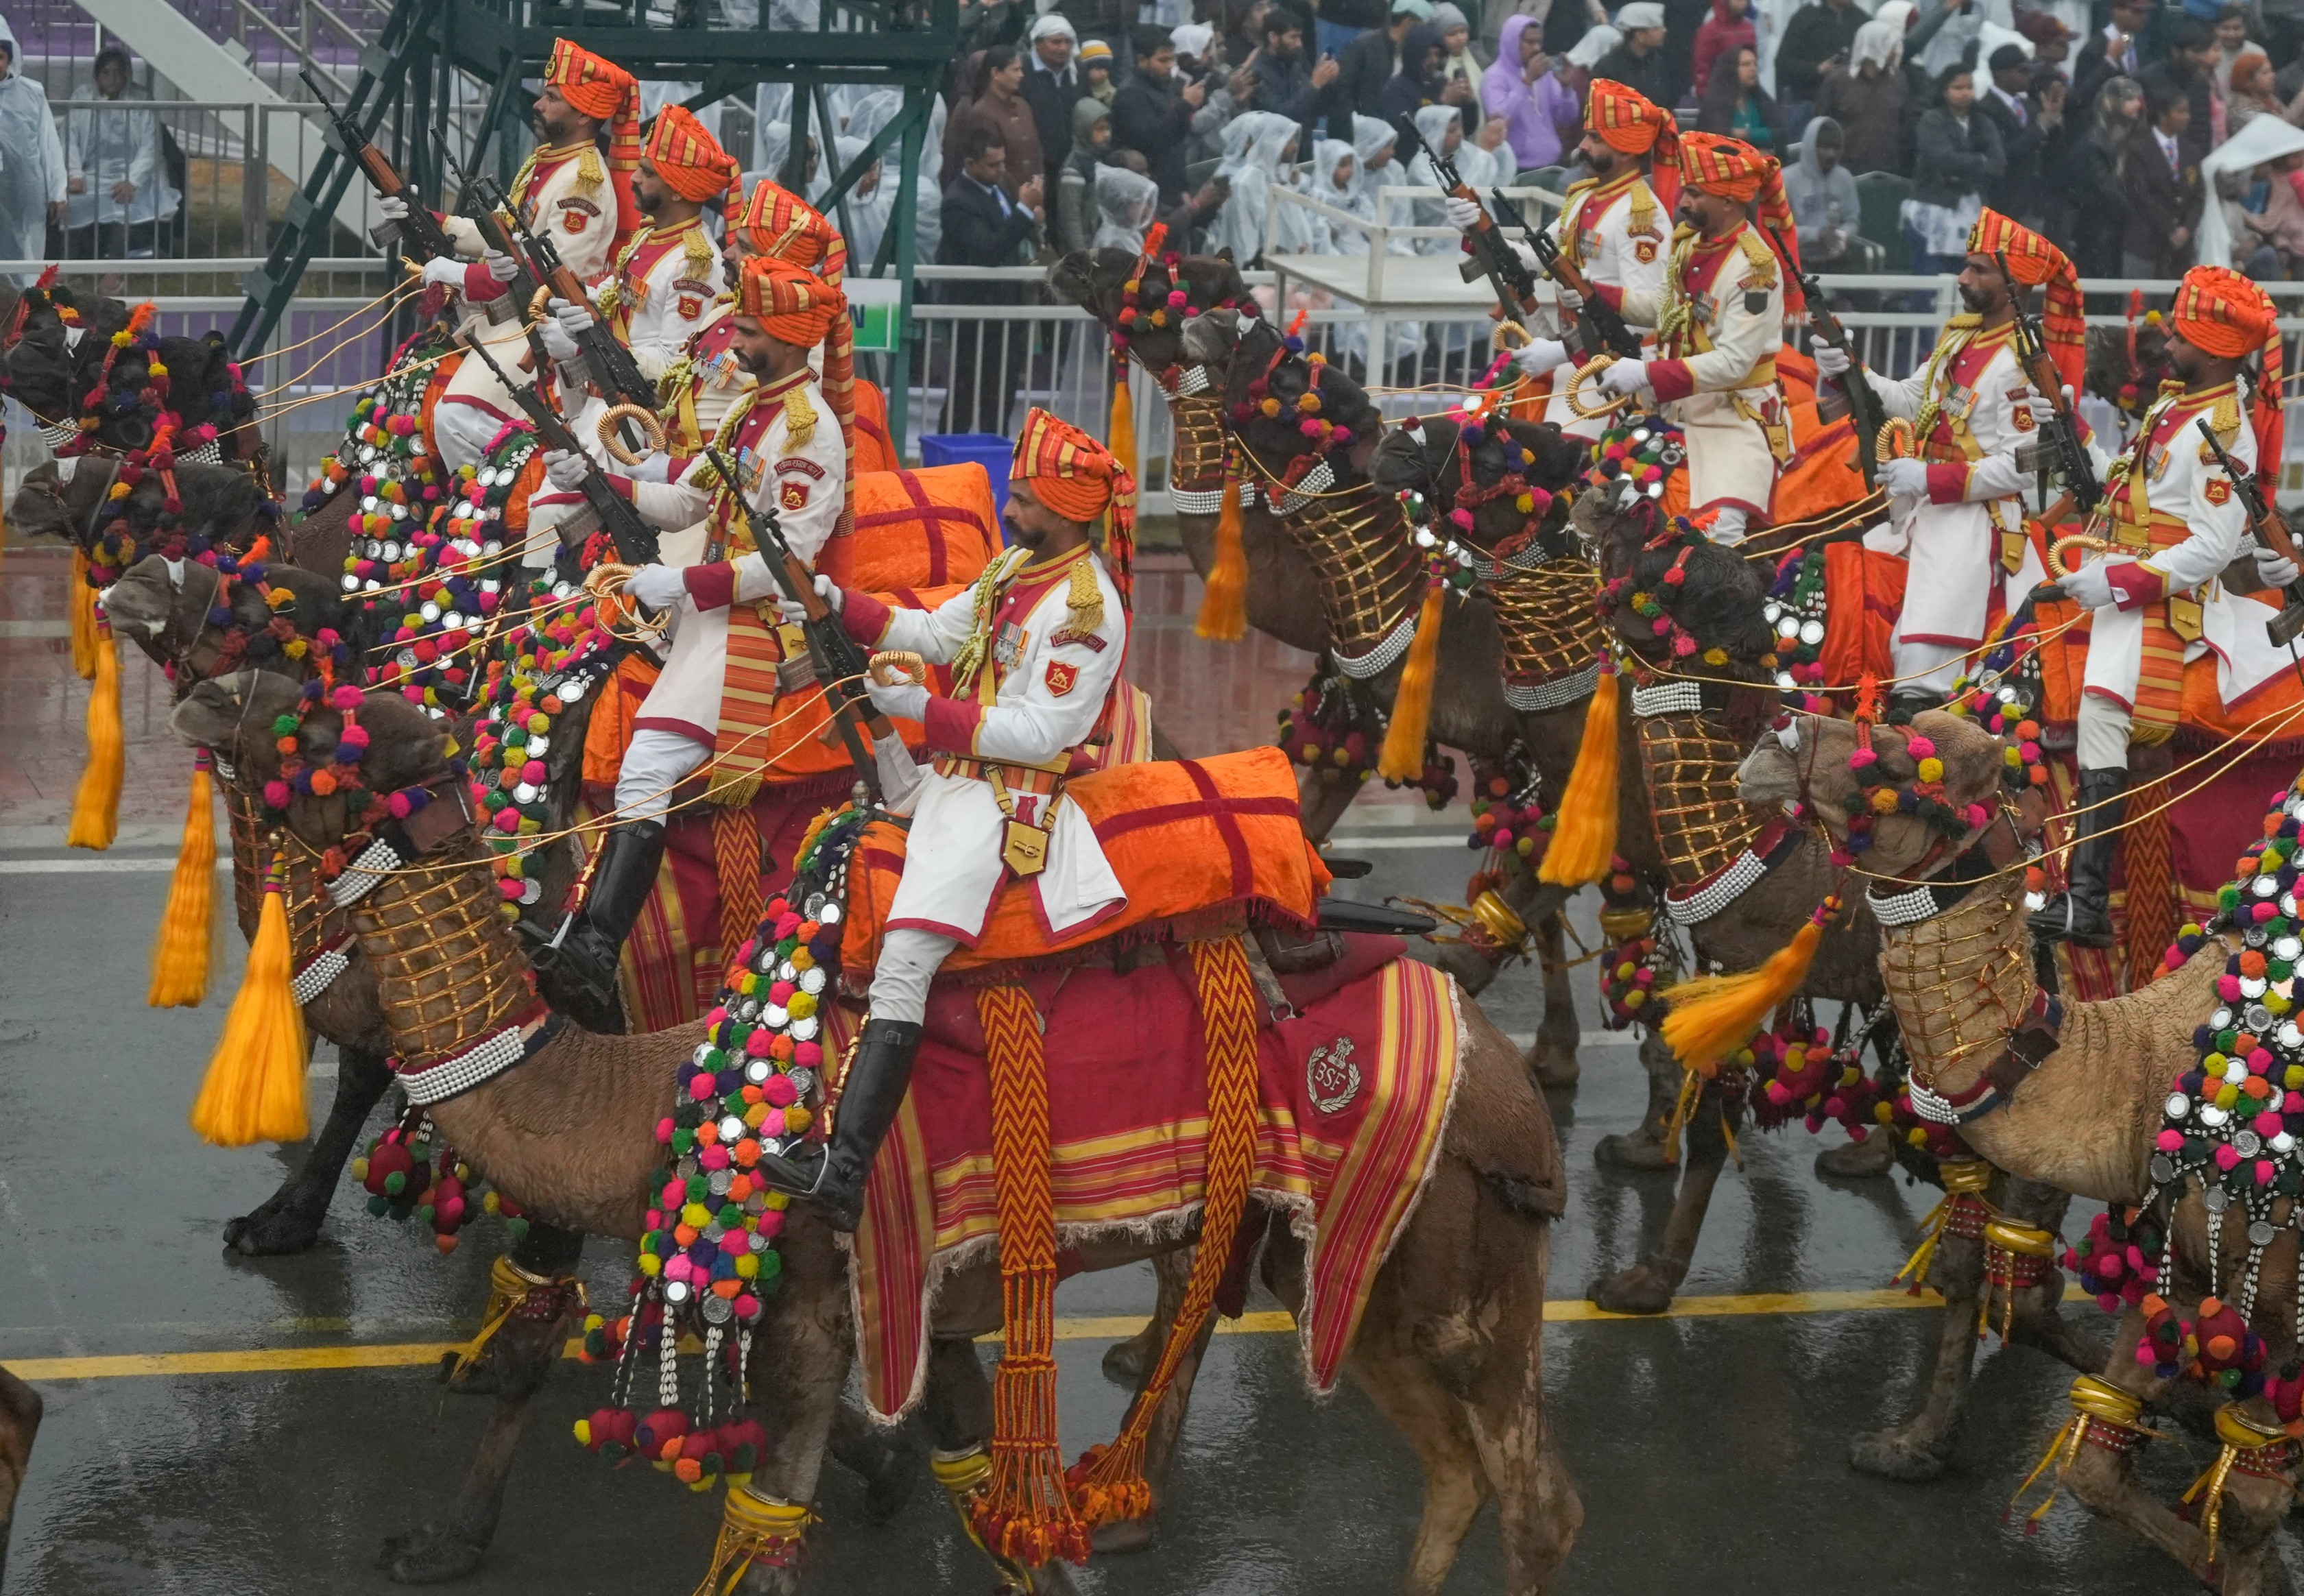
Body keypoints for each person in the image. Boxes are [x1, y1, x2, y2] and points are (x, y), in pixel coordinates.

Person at [752, 408, 1136, 1226]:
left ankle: (843, 1172)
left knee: (904, 957)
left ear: (1066, 512)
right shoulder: (1012, 569)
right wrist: (833, 601)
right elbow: (926, 629)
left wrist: (923, 709)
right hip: (953, 779)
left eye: (1025, 499)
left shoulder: (1083, 609)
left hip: (1004, 799)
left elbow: (1043, 732)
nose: (1011, 506)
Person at [536, 255, 852, 1002]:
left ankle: (601, 951)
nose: (732, 338)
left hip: (757, 626)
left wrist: (675, 582)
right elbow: (689, 501)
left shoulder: (808, 434)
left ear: (785, 338)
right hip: (707, 609)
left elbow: (786, 566)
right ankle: (586, 931)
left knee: (646, 766)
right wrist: (595, 479)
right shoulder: (753, 409)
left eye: (746, 328)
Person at [2032, 267, 2287, 947]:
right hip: (2123, 573)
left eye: (2182, 332)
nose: (2167, 339)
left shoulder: (2225, 429)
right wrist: (2075, 437)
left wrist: (2121, 583)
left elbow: (2210, 547)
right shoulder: (2174, 406)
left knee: (2103, 712)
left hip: (2172, 601)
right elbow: (2126, 491)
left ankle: (2085, 900)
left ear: (2217, 348)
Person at [1812, 210, 2078, 710]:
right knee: (1847, 578)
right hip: (1921, 510)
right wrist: (1851, 367)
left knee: (1923, 662)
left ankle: (1922, 712)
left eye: (1979, 269)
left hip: (1974, 522)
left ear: (2014, 283)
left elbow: (2020, 468)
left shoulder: (2023, 362)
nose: (1963, 278)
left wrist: (1930, 478)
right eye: (1966, 266)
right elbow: (1911, 400)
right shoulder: (1961, 335)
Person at [391, 37, 635, 481]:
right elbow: (498, 237)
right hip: (512, 316)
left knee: (457, 418)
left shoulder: (583, 182)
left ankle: (504, 513)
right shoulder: (547, 163)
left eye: (552, 99)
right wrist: (427, 219)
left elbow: (542, 273)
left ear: (583, 115)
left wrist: (460, 276)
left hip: (544, 324)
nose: (539, 104)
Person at [1588, 132, 1793, 547]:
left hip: (1733, 419)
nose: (1682, 202)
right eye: (1686, 189)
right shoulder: (1689, 245)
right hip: (1677, 412)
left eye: (1696, 194)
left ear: (1730, 202)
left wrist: (1646, 372)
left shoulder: (1756, 270)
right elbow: (1663, 309)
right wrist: (1596, 295)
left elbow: (1734, 363)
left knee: (1717, 538)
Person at [1472, 77, 1671, 443]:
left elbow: (1652, 315)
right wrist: (1480, 229)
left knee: (1559, 465)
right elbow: (1535, 258)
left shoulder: (1643, 217)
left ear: (1626, 150)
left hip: (1612, 371)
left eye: (1595, 138)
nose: (1582, 146)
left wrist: (1561, 350)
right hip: (1574, 357)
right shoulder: (1583, 199)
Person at [595, 106, 739, 383]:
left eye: (648, 173)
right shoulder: (648, 236)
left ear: (678, 191)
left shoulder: (696, 264)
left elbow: (674, 367)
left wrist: (589, 348)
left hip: (639, 419)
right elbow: (607, 299)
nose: (634, 178)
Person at [938, 125, 1045, 431]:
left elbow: (1006, 234)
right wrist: (1023, 211)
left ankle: (993, 461)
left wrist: (1029, 217)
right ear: (970, 163)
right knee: (965, 394)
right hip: (973, 314)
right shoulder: (958, 201)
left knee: (1000, 397)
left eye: (1002, 163)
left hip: (1005, 312)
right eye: (992, 165)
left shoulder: (999, 187)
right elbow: (986, 250)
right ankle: (946, 466)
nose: (1001, 170)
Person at [61, 44, 180, 263]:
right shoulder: (82, 97)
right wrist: (75, 174)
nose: (112, 79)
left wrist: (132, 181)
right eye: (106, 73)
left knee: (124, 205)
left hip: (136, 176)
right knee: (73, 204)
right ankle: (68, 266)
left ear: (127, 74)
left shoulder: (142, 99)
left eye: (118, 72)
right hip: (92, 174)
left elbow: (150, 147)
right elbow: (70, 140)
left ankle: (114, 268)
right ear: (97, 75)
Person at [1902, 68, 2002, 282]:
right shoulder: (1932, 120)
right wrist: (1978, 161)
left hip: (1971, 209)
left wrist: (1966, 163)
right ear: (1945, 91)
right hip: (1933, 205)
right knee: (1929, 277)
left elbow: (1998, 164)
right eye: (1958, 88)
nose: (1965, 93)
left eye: (1969, 87)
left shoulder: (1983, 122)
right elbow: (1942, 159)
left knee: (1965, 278)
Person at [0, 17, 66, 282]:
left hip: (24, 191)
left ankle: (23, 310)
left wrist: (58, 191)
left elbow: (48, 143)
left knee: (25, 253)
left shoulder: (32, 93)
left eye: (0, 56)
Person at [1112, 24, 1206, 202]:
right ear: (1142, 60)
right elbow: (1152, 141)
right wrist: (1185, 105)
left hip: (1171, 188)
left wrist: (1182, 188)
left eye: (1172, 60)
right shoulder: (1131, 93)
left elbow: (1177, 141)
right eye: (1163, 61)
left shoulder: (1164, 87)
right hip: (1145, 194)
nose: (1170, 66)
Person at [2058, 76, 2139, 278]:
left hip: (2109, 226)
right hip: (2093, 228)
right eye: (2130, 99)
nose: (2137, 104)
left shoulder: (2123, 137)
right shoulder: (2094, 144)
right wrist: (2134, 215)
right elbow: (2105, 187)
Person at [2122, 84, 2203, 278]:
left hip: (2181, 251)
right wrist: (2169, 228)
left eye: (2187, 112)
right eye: (2180, 111)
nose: (2187, 117)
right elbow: (2140, 196)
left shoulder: (2191, 150)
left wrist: (2186, 229)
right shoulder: (2138, 149)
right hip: (2146, 242)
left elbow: (2199, 196)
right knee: (2138, 305)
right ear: (2162, 114)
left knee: (2175, 305)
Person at [1207, 109, 1306, 262]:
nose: (1294, 146)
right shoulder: (1245, 183)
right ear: (1269, 140)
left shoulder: (1275, 179)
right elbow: (1242, 242)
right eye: (1288, 140)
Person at [948, 45, 1047, 197]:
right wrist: (1018, 196)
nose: (1021, 75)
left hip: (1034, 195)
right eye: (1015, 70)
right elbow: (990, 163)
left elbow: (1036, 150)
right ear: (995, 73)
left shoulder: (1023, 105)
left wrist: (1038, 185)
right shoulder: (982, 112)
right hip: (1004, 199)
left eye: (1021, 69)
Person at [1813, 16, 1908, 173]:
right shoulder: (1838, 81)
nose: (1894, 52)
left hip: (1889, 169)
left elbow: (1904, 124)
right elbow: (1822, 124)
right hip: (1845, 170)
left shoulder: (1899, 80)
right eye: (1889, 46)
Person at [1485, 15, 1579, 171]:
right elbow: (1500, 120)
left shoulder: (1544, 75)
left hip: (1552, 163)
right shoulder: (1493, 76)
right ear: (1513, 42)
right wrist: (1527, 82)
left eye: (1538, 42)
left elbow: (1566, 119)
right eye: (1530, 42)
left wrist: (1567, 89)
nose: (1536, 48)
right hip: (1517, 168)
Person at [1976, 43, 2048, 225]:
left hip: (2032, 203)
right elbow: (2002, 153)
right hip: (2003, 202)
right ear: (2001, 73)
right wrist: (2039, 129)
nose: (2030, 76)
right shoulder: (1985, 110)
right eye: (2022, 71)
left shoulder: (2030, 106)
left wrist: (2053, 119)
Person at [1246, 4, 1347, 134]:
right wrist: (1314, 85)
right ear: (1273, 38)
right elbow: (1280, 116)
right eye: (1293, 37)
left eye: (1300, 37)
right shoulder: (1257, 72)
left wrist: (1328, 83)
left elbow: (1319, 109)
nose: (1299, 44)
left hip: (1304, 139)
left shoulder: (1296, 61)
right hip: (1273, 143)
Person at [1784, 115, 1865, 267]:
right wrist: (1817, 234)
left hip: (1838, 257)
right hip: (1798, 259)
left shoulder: (1845, 178)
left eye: (1836, 148)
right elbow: (1780, 231)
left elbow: (1852, 219)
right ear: (1810, 147)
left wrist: (1841, 235)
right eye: (1825, 147)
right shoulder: (1786, 180)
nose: (1831, 155)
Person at [2141, 15, 2218, 169]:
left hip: (2188, 161)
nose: (2202, 58)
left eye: (2204, 51)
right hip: (2151, 159)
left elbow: (2202, 133)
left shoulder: (2200, 83)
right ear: (2176, 51)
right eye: (2196, 51)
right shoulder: (2148, 79)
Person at [1340, 0, 1435, 116]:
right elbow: (1343, 91)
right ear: (1409, 23)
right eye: (1425, 27)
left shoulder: (1418, 54)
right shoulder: (1364, 46)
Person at [1774, 0, 1867, 113]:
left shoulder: (1862, 20)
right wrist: (1817, 69)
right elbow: (1783, 62)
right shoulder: (1806, 16)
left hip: (1850, 102)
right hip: (1810, 98)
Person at [1022, 13, 1085, 178]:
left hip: (1072, 160)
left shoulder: (1077, 71)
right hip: (1037, 162)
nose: (1063, 48)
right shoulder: (1023, 72)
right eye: (1056, 42)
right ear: (1038, 43)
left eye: (1068, 42)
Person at [1377, 22, 1474, 123]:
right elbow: (1405, 129)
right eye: (1427, 55)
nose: (1434, 60)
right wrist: (1443, 102)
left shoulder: (1442, 83)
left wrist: (1468, 102)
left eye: (1437, 54)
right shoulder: (1396, 89)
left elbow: (1467, 127)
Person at [1056, 97, 1114, 252]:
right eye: (1100, 129)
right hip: (1086, 250)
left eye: (1107, 128)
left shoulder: (1098, 159)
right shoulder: (1074, 169)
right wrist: (1082, 255)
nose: (1107, 134)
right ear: (1085, 130)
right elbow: (1071, 219)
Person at [1698, 45, 1781, 148]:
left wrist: (1745, 134)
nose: (1753, 69)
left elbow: (1778, 134)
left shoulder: (1761, 101)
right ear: (1731, 69)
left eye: (1755, 64)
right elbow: (1716, 139)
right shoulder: (1715, 105)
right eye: (1746, 64)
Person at [1589, 3, 1670, 106]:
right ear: (1639, 35)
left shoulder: (1660, 64)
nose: (1664, 31)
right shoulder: (1608, 67)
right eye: (1656, 28)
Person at [2073, 0, 2146, 112]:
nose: (2143, 17)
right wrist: (2109, 61)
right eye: (2137, 11)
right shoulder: (2094, 48)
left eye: (2145, 12)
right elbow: (2080, 96)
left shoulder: (2138, 44)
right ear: (2117, 10)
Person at [2225, 49, 2304, 135]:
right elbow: (2282, 130)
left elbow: (2290, 121)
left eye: (2271, 71)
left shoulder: (2269, 97)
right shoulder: (2242, 112)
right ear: (2248, 82)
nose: (2272, 76)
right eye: (2265, 73)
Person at [1692, 0, 1757, 99]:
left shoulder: (1749, 28)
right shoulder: (1710, 31)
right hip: (1719, 98)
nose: (1741, 2)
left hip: (1746, 97)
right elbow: (1702, 68)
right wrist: (1707, 99)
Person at [1091, 161, 1163, 248]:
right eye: (1138, 202)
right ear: (1121, 204)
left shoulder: (1129, 234)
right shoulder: (1114, 241)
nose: (1146, 208)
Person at [1080, 38, 1118, 104]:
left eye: (1107, 69)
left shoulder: (1112, 94)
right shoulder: (1078, 91)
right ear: (1086, 69)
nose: (1104, 74)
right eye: (1099, 69)